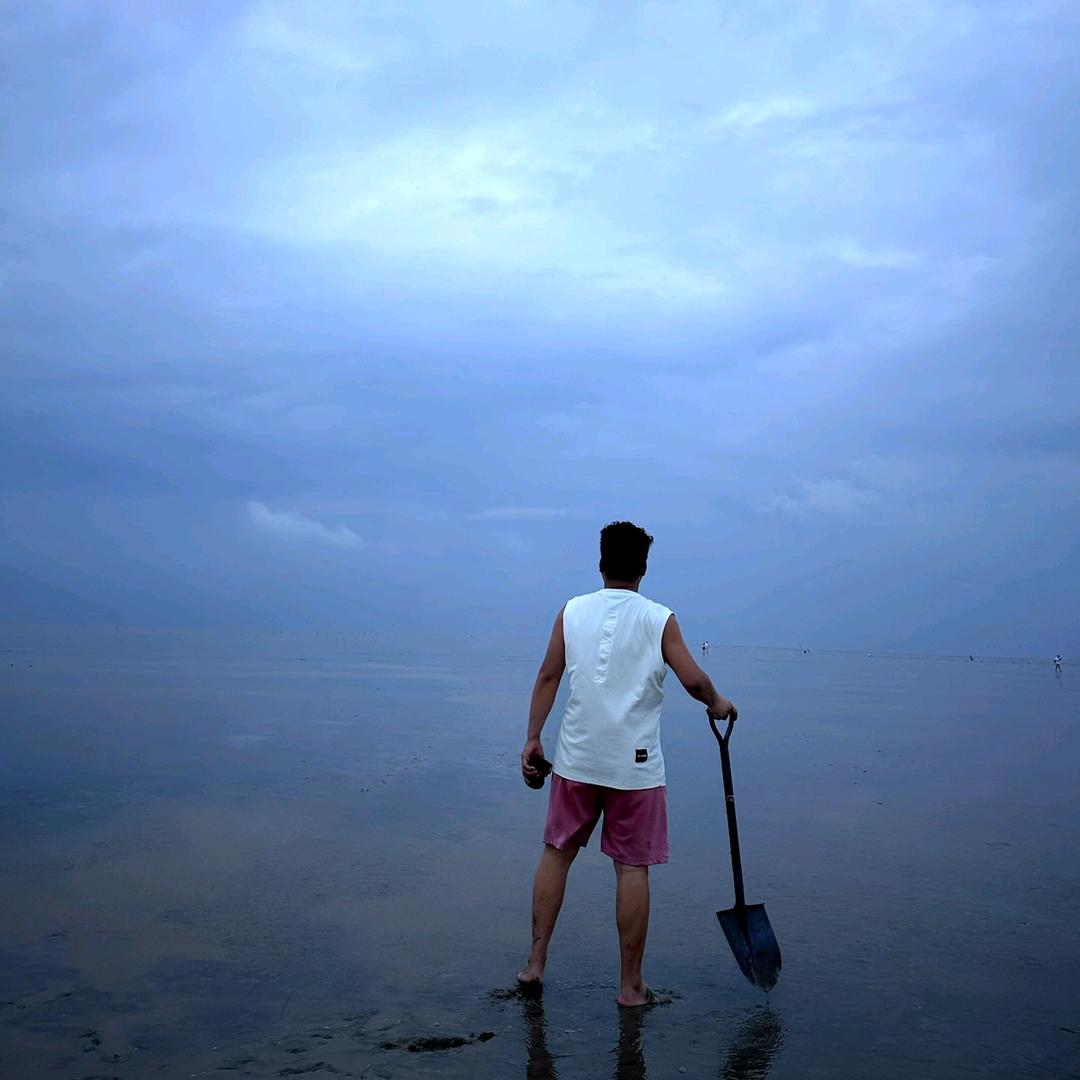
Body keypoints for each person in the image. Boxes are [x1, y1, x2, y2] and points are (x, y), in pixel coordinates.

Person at [518, 520, 737, 1006]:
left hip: (576, 759)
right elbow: (693, 682)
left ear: (601, 563)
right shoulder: (659, 618)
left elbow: (549, 676)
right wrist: (718, 703)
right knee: (632, 869)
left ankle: (534, 965)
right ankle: (630, 987)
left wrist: (533, 737)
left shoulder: (571, 612)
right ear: (643, 567)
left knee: (557, 854)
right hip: (634, 770)